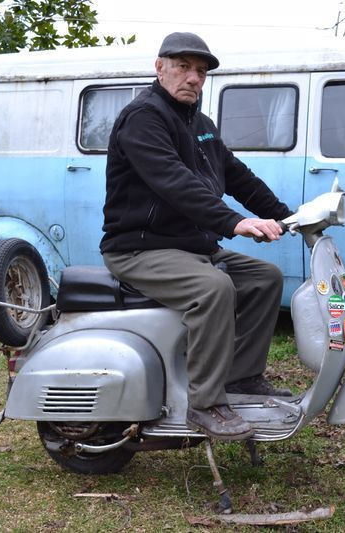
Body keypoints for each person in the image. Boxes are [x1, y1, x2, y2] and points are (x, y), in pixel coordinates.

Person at [100, 32, 293, 442]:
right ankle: (204, 404)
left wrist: (288, 216)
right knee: (214, 288)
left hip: (190, 246)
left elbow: (238, 176)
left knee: (264, 278)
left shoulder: (201, 125)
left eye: (201, 72)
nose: (193, 78)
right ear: (160, 67)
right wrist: (233, 222)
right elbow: (174, 182)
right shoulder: (143, 118)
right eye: (184, 67)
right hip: (139, 247)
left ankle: (242, 377)